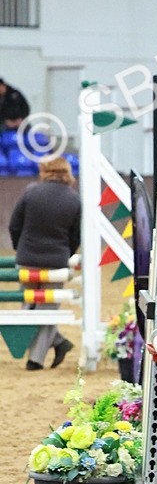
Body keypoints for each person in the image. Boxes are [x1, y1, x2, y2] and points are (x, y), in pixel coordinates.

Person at [8, 155, 80, 370]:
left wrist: (19, 248)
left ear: (45, 171)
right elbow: (76, 235)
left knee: (29, 307)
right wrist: (67, 254)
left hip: (27, 257)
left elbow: (14, 225)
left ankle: (36, 359)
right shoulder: (74, 199)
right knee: (48, 308)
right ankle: (56, 343)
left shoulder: (31, 192)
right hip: (56, 260)